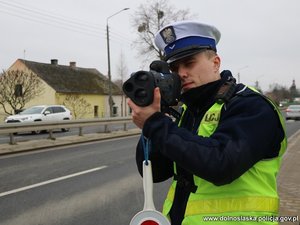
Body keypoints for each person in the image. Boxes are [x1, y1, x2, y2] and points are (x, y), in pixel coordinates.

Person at [127, 20, 287, 225]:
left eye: (189, 63)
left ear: (216, 62)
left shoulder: (251, 106)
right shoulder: (187, 111)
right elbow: (157, 172)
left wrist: (156, 124)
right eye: (175, 67)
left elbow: (221, 164)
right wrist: (158, 113)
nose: (181, 73)